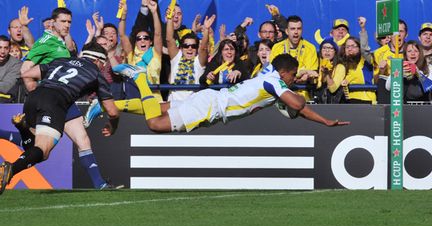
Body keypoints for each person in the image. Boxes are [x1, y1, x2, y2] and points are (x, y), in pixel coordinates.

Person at [85, 54, 349, 134]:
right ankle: (141, 78)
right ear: (284, 74)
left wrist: (301, 72)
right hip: (211, 107)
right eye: (292, 76)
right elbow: (299, 105)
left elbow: (283, 69)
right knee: (155, 124)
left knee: (162, 109)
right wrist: (325, 121)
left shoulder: (270, 74)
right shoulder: (277, 84)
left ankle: (109, 105)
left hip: (211, 99)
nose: (293, 81)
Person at [0, 42, 120, 195]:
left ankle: (100, 184)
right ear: (98, 61)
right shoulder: (96, 74)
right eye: (103, 64)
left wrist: (36, 92)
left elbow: (26, 74)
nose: (103, 68)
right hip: (57, 101)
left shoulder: (62, 60)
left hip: (37, 97)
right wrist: (113, 125)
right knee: (42, 151)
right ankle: (10, 169)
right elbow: (112, 111)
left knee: (80, 139)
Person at [20, 7, 118, 189]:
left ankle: (101, 185)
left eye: (69, 22)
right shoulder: (47, 41)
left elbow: (80, 62)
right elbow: (25, 70)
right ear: (52, 22)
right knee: (40, 147)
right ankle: (12, 138)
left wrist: (94, 34)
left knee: (82, 139)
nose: (67, 25)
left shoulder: (60, 42)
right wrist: (36, 94)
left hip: (63, 99)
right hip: (52, 99)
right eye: (63, 21)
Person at [270, 15, 319, 101]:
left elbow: (312, 74)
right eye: (292, 29)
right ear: (287, 31)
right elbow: (274, 73)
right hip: (281, 94)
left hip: (302, 95)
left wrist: (306, 74)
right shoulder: (277, 47)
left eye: (299, 29)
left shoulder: (310, 48)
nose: (296, 32)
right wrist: (302, 72)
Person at [168, 14, 215, 101]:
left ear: (197, 49)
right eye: (186, 46)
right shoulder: (176, 58)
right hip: (173, 104)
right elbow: (169, 39)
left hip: (192, 107)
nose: (190, 48)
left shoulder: (199, 61)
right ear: (181, 48)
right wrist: (170, 18)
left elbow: (204, 48)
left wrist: (207, 30)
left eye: (193, 46)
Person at [323, 37, 376, 104]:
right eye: (347, 47)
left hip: (369, 101)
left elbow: (365, 50)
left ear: (359, 48)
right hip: (350, 101)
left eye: (353, 46)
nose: (350, 49)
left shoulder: (366, 62)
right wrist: (328, 74)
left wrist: (363, 30)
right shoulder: (342, 66)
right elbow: (333, 88)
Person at [0, 35, 22, 102]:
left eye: (6, 48)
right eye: (0, 47)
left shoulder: (16, 64)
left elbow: (6, 87)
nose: (2, 51)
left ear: (9, 49)